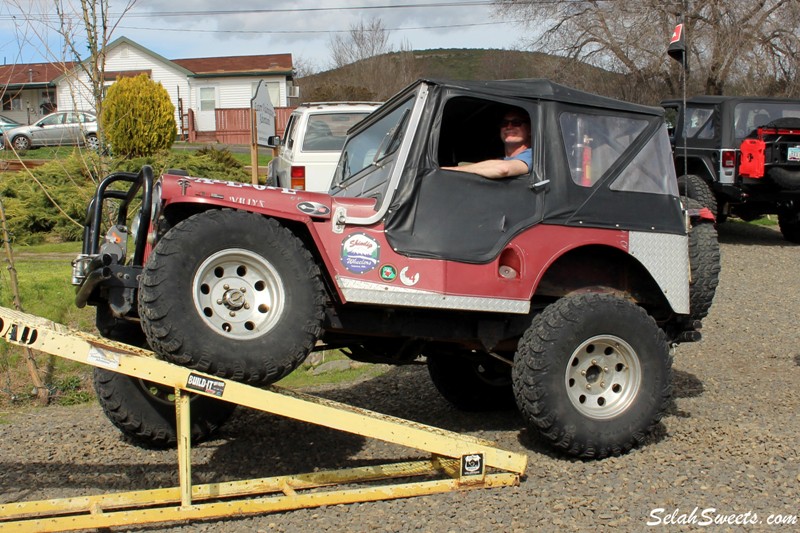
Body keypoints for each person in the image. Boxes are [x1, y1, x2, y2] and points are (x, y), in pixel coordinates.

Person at [442, 110, 532, 179]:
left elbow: (503, 169)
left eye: (516, 123)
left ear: (530, 130)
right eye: (504, 123)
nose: (509, 127)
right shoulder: (500, 159)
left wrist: (451, 171)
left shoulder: (533, 156)